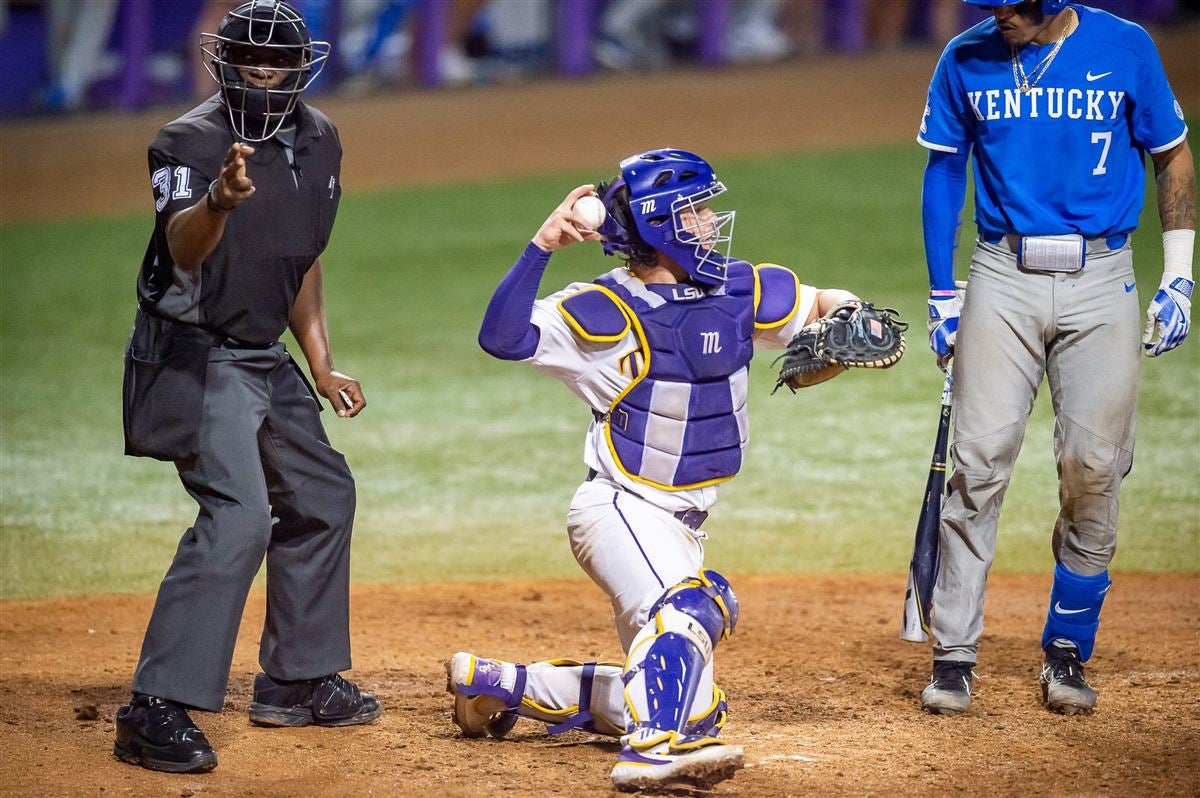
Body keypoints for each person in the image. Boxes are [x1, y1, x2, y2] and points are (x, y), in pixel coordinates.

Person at [447, 149, 869, 792]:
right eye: (696, 212)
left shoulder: (737, 289)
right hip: (620, 510)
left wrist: (849, 318)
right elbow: (501, 338)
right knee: (699, 605)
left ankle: (500, 685)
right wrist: (541, 246)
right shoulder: (604, 311)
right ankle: (647, 753)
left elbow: (826, 303)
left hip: (685, 525)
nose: (710, 222)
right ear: (660, 226)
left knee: (699, 712)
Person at [115, 0, 381, 774]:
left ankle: (295, 681)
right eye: (251, 62)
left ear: (303, 68)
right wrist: (218, 204)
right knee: (238, 516)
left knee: (323, 494)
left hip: (263, 354)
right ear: (223, 64)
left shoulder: (322, 138)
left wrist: (322, 362)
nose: (266, 74)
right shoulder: (187, 141)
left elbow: (297, 258)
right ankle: (153, 708)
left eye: (280, 64)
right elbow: (183, 247)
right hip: (193, 355)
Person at [916, 0, 1193, 716]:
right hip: (1000, 277)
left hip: (1103, 277)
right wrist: (944, 293)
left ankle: (1067, 649)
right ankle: (953, 654)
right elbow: (945, 171)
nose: (1001, 15)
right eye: (993, 4)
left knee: (1094, 467)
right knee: (978, 465)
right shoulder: (965, 58)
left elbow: (1172, 155)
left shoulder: (1127, 47)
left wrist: (1180, 273)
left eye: (1016, 4)